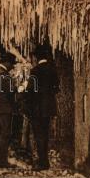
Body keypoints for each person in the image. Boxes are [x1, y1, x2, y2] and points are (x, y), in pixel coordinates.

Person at [23, 43, 60, 171]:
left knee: (39, 136)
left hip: (37, 109)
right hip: (48, 109)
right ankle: (45, 161)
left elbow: (29, 91)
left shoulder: (35, 71)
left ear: (37, 57)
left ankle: (43, 162)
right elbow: (56, 88)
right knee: (45, 134)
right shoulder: (53, 69)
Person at [0, 50, 17, 168]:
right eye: (12, 64)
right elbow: (10, 92)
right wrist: (18, 87)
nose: (12, 66)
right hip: (4, 108)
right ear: (7, 63)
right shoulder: (3, 74)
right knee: (5, 134)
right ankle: (2, 161)